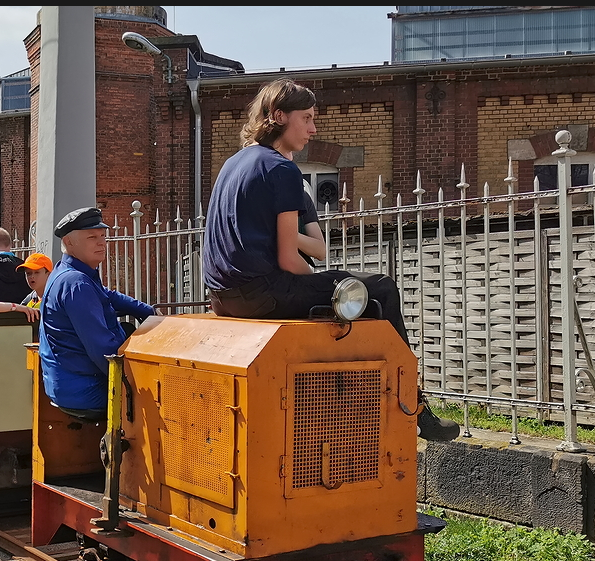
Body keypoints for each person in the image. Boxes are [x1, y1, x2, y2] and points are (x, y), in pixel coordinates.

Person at [202, 77, 459, 441]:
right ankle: (413, 407)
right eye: (305, 118)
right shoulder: (281, 169)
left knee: (341, 290)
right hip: (262, 292)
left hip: (222, 298)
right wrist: (320, 283)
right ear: (278, 116)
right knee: (380, 289)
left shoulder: (234, 164)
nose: (313, 128)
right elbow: (290, 260)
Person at [39, 207, 154, 421]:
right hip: (85, 389)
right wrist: (132, 382)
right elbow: (103, 349)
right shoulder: (77, 282)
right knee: (161, 397)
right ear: (69, 242)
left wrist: (145, 311)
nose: (101, 242)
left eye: (102, 235)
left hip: (67, 383)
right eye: (92, 237)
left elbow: (105, 296)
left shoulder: (67, 273)